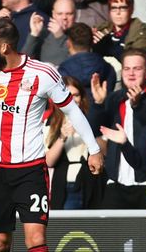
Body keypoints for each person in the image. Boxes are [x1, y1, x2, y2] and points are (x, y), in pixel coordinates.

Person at [0, 18, 103, 252]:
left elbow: (73, 111)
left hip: (30, 170)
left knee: (35, 239)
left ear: (5, 47)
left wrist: (94, 149)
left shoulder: (43, 73)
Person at [44, 76, 92, 210]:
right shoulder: (51, 123)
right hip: (67, 184)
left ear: (82, 98)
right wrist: (62, 137)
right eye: (68, 95)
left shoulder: (91, 119)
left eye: (76, 95)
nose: (73, 100)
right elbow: (48, 161)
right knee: (68, 229)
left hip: (91, 183)